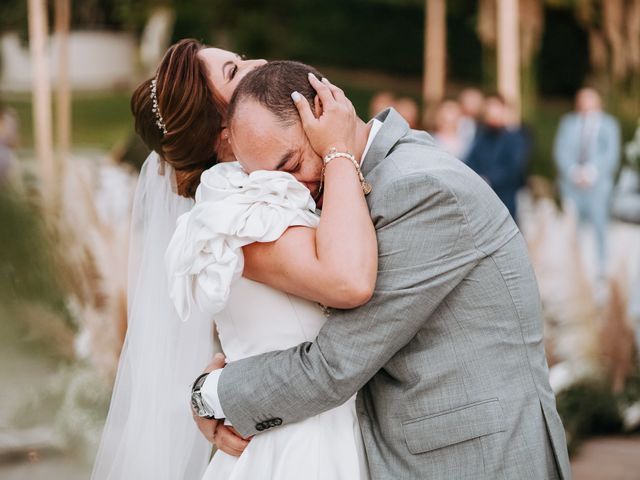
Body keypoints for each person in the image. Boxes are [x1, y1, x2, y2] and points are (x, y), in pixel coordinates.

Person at [195, 61, 572, 479]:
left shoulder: (420, 190)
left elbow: (334, 365)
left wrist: (211, 394)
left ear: (324, 111)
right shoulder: (367, 178)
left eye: (291, 167)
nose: (293, 191)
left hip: (476, 461)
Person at [92, 41, 374, 480]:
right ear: (225, 134)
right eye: (233, 71)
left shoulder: (275, 188)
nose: (259, 65)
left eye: (239, 59)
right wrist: (338, 151)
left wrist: (211, 391)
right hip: (302, 452)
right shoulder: (237, 217)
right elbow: (348, 281)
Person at [553, 87, 621, 279]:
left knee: (600, 226)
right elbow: (560, 150)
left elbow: (611, 154)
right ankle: (573, 267)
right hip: (571, 184)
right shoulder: (568, 122)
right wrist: (573, 172)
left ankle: (601, 268)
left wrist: (591, 173)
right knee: (572, 228)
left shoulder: (609, 124)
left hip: (598, 185)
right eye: (582, 99)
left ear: (598, 101)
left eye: (590, 99)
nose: (585, 103)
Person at [466, 95, 528, 222]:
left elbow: (513, 168)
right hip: (481, 199)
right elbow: (471, 161)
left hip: (505, 199)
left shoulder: (515, 138)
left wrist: (488, 180)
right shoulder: (481, 137)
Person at [457, 87, 485, 162]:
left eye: (476, 101)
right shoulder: (451, 123)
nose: (473, 105)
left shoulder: (483, 128)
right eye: (470, 101)